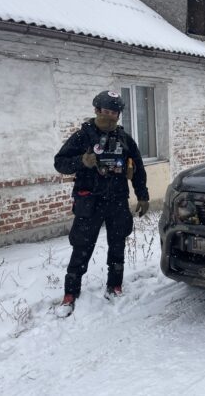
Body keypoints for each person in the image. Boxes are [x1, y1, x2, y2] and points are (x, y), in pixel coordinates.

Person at [54, 90, 150, 317]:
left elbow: (138, 169)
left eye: (114, 113)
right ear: (97, 111)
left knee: (118, 244)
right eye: (106, 112)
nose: (110, 116)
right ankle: (70, 293)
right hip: (89, 201)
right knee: (82, 247)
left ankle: (114, 285)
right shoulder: (82, 137)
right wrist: (82, 161)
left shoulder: (125, 139)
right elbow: (60, 163)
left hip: (117, 200)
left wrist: (143, 195)